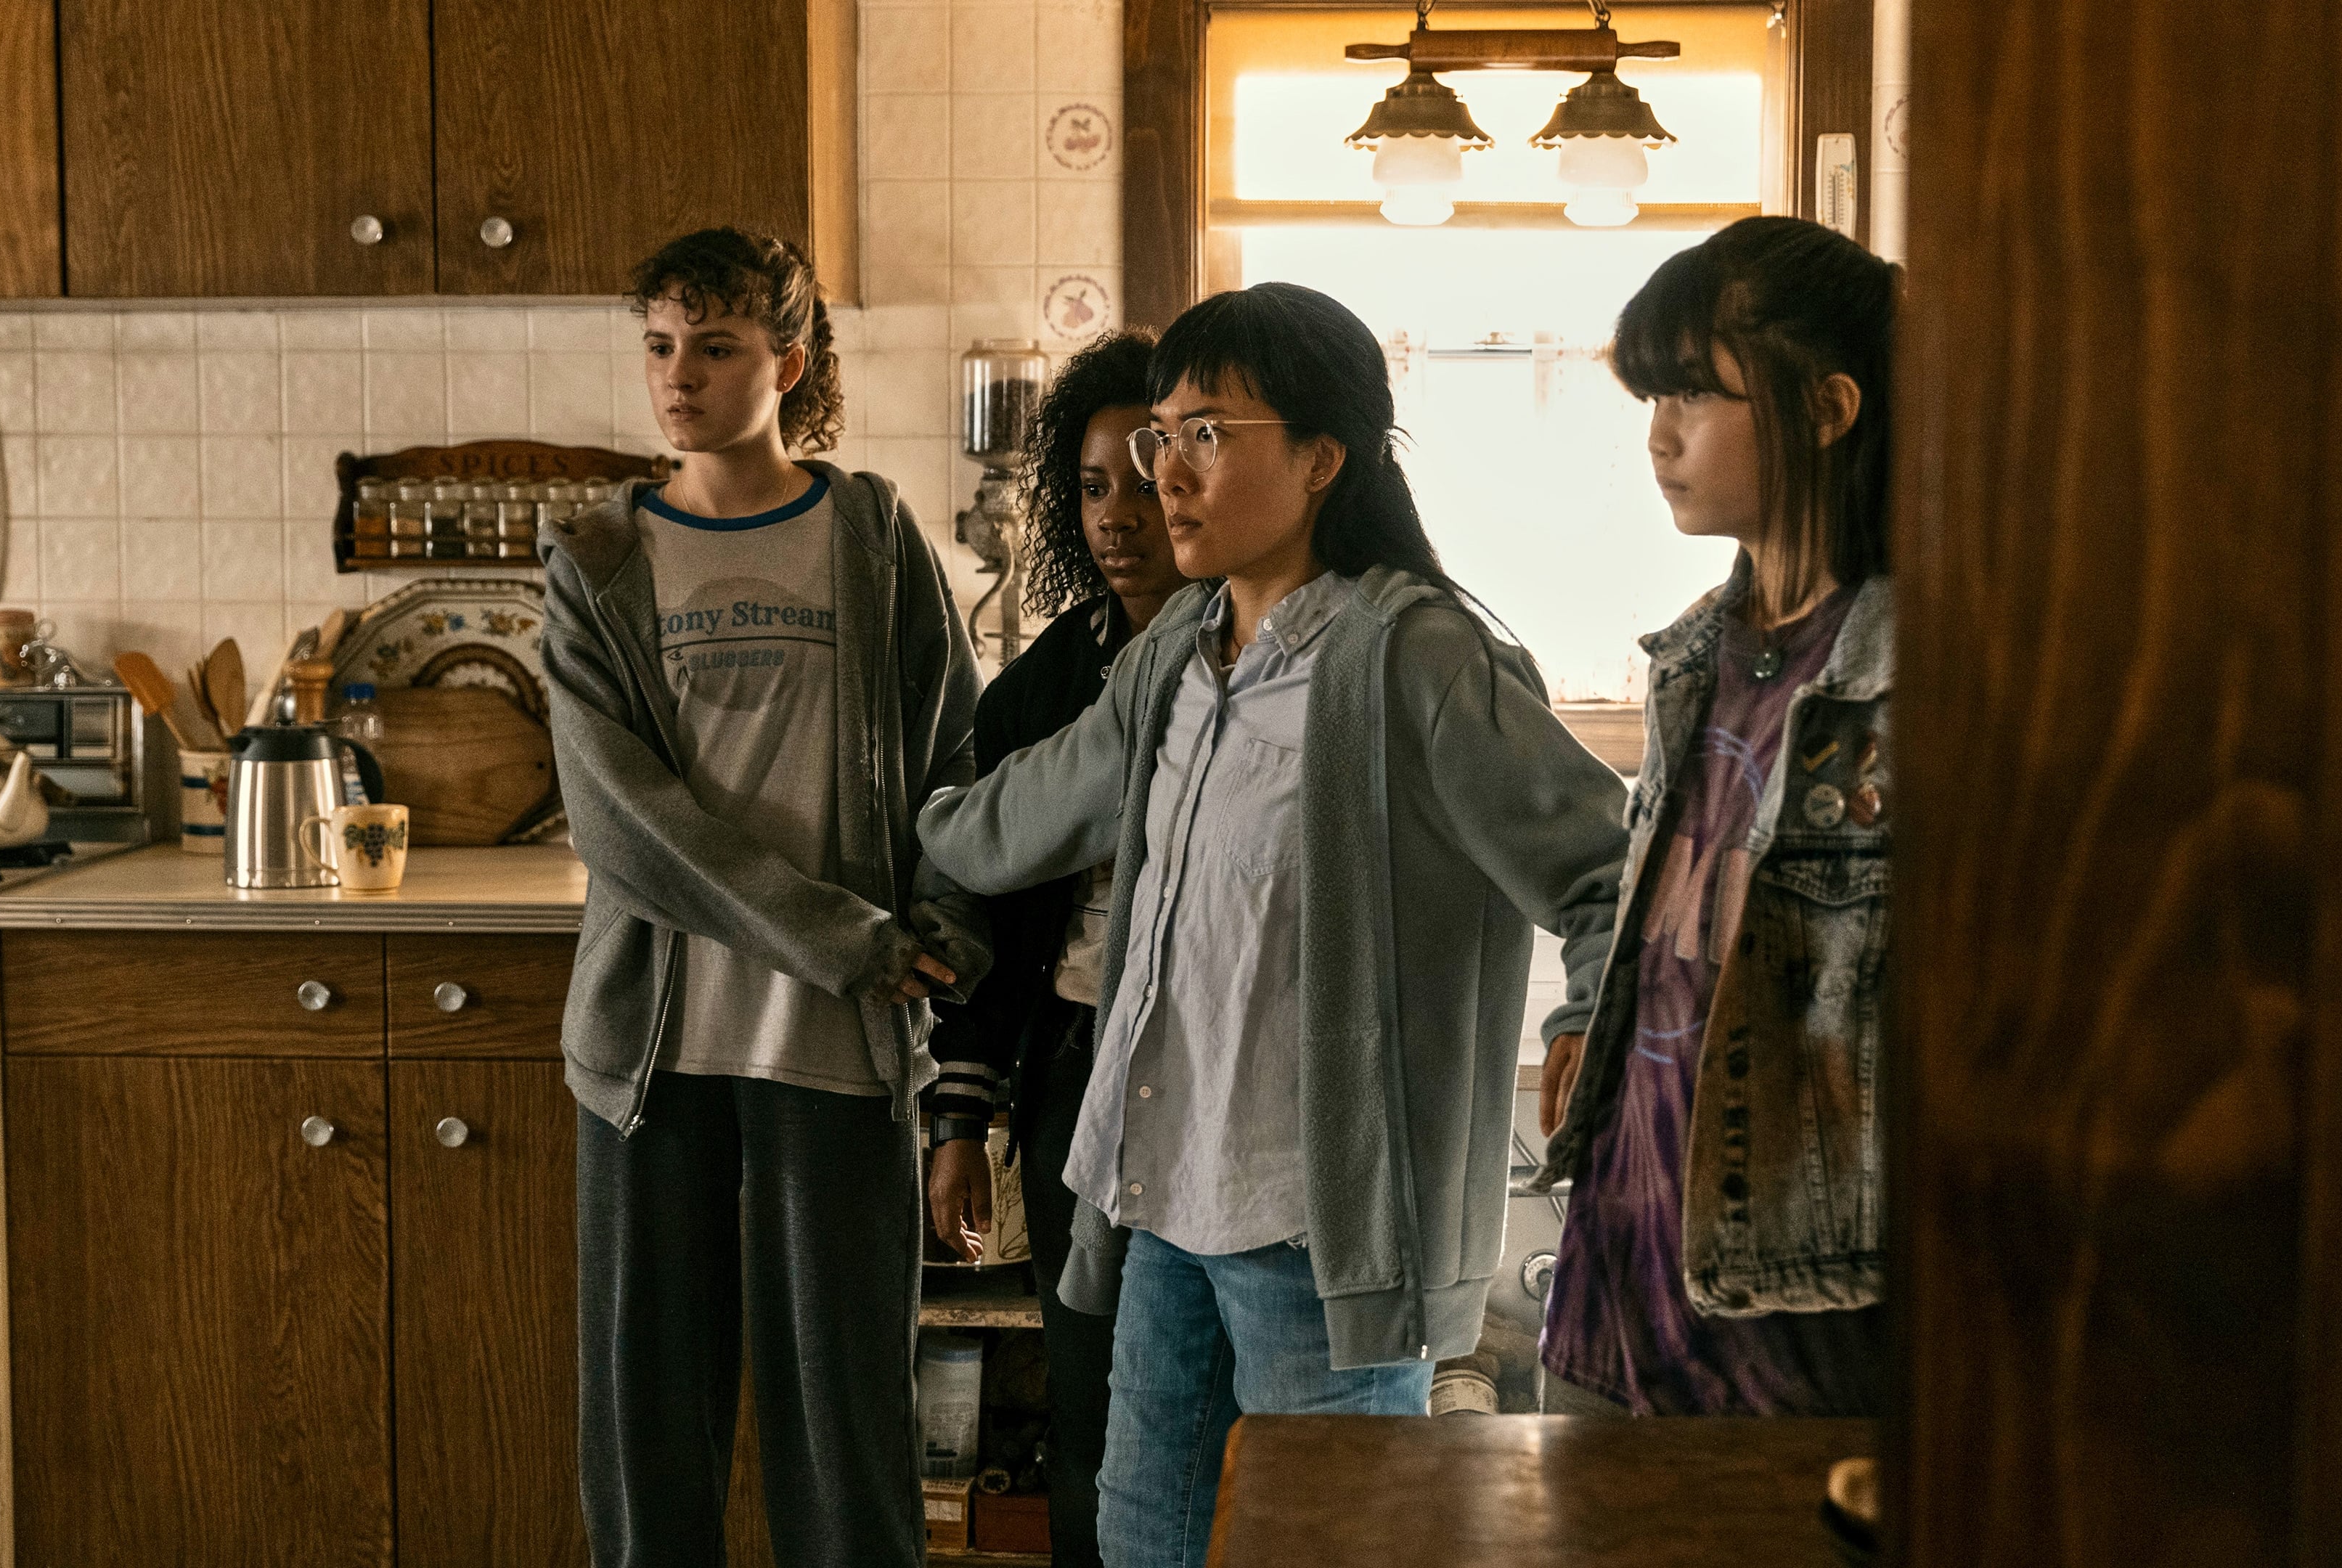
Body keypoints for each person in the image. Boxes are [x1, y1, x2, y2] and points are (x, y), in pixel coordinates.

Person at [913, 282, 1631, 1568]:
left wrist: (1589, 1019)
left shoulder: (1417, 657)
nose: (1168, 474)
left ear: (1320, 459)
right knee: (1143, 1540)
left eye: (1209, 434)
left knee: (1324, 1545)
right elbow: (1023, 814)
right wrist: (887, 842)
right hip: (1161, 1200)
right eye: (1163, 436)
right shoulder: (1177, 654)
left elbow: (1607, 872)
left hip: (1314, 1229)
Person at [541, 226, 988, 1567]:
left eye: (716, 347)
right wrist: (841, 937)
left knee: (847, 1434)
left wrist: (945, 923)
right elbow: (621, 819)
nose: (678, 377)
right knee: (649, 1436)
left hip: (838, 1046)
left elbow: (953, 756)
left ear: (787, 364)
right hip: (654, 1055)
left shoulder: (870, 535)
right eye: (661, 346)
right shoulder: (601, 558)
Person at [1530, 216, 1901, 1418]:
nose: (1660, 434)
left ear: (1829, 408)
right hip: (1619, 1270)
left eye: (1694, 392)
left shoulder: (1907, 676)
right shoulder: (1697, 651)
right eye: (1654, 395)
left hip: (1791, 1318)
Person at [921, 330, 1192, 1568]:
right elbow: (982, 911)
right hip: (1078, 1066)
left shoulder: (1267, 661)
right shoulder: (1040, 688)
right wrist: (960, 1120)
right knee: (1093, 1401)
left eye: (1145, 481)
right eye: (1089, 488)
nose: (1118, 516)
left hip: (1218, 1063)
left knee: (1222, 1410)